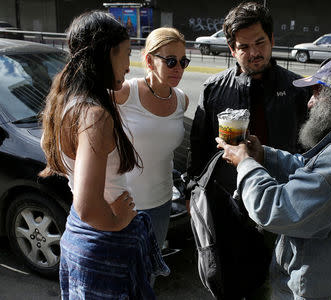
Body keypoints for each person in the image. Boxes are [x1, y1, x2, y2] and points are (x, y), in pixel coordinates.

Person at [216, 56, 331, 299]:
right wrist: (264, 155)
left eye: (316, 93)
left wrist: (244, 163)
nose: (309, 103)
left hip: (315, 290)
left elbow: (276, 209)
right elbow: (310, 171)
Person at [39, 11, 168, 299]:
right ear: (108, 53)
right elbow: (89, 205)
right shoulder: (95, 115)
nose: (128, 65)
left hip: (79, 234)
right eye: (126, 54)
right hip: (104, 243)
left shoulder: (68, 101)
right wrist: (117, 221)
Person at [187, 1, 310, 179]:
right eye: (244, 47)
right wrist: (192, 187)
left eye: (260, 43)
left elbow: (311, 150)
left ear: (272, 40)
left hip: (283, 193)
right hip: (228, 197)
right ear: (232, 50)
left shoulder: (298, 88)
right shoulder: (213, 89)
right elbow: (199, 146)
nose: (254, 53)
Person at [115, 27, 189, 252]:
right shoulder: (125, 93)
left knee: (150, 273)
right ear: (149, 60)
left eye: (183, 62)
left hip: (162, 202)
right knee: (124, 277)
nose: (178, 69)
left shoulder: (181, 100)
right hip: (125, 204)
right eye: (170, 61)